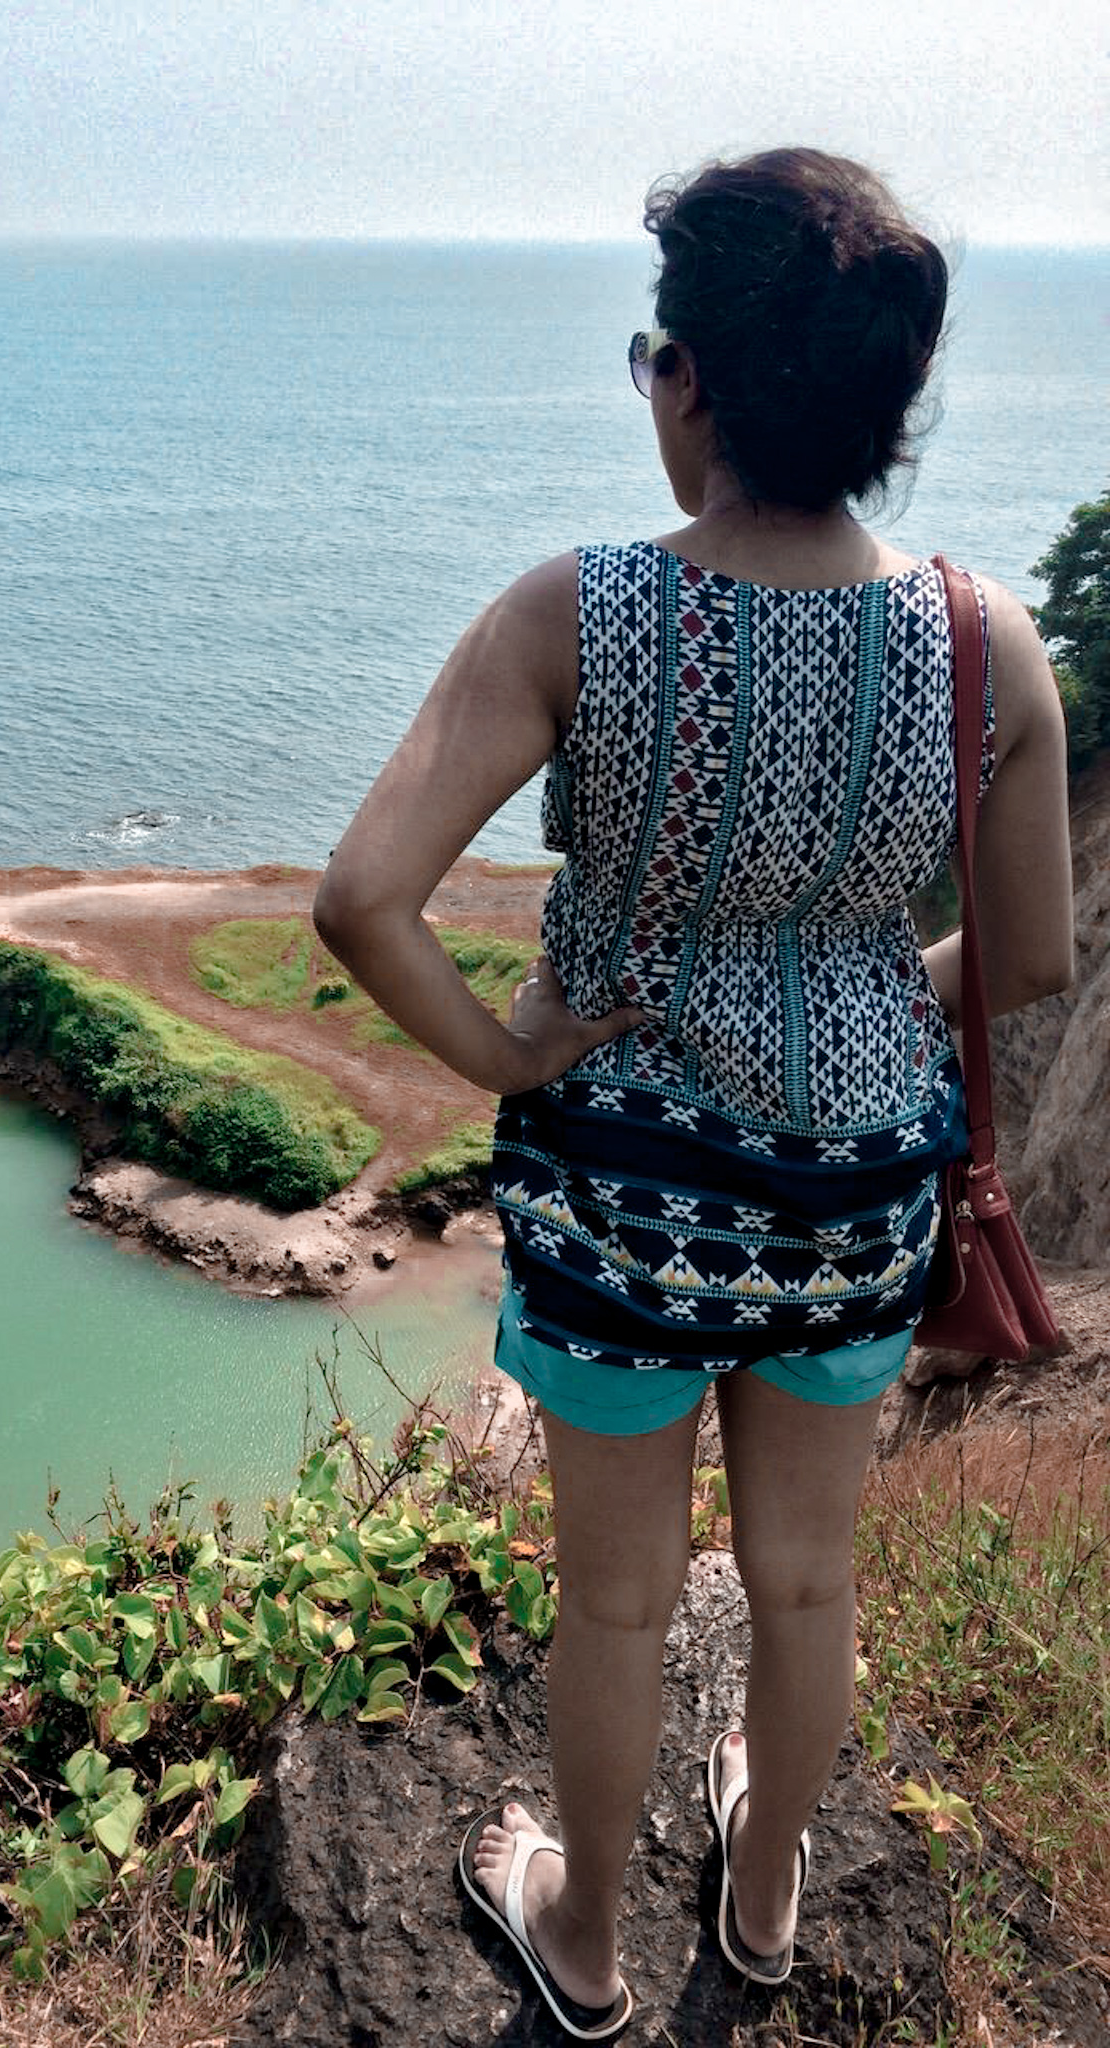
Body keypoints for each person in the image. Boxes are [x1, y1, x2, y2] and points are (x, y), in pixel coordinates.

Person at [312, 147, 1073, 2038]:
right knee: (805, 1586)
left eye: (657, 348)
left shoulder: (577, 616)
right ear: (885, 409)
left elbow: (360, 901)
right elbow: (1038, 958)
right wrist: (865, 987)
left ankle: (580, 1947)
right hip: (858, 1202)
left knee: (621, 1607)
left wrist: (505, 1052)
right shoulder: (985, 643)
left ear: (695, 383)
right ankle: (766, 1899)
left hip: (622, 1199)